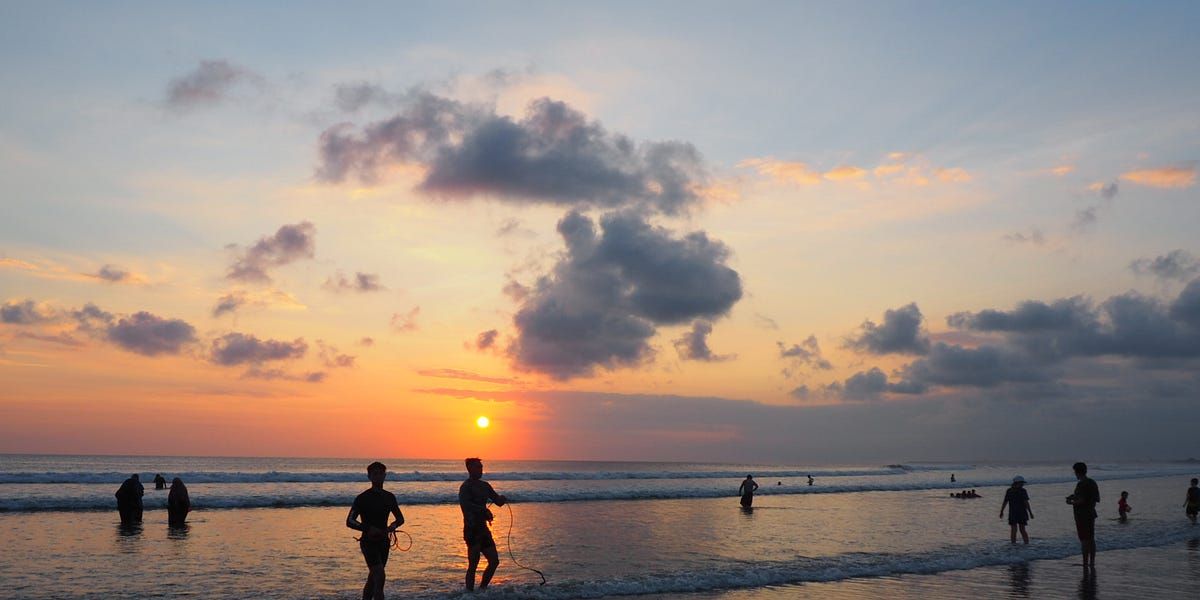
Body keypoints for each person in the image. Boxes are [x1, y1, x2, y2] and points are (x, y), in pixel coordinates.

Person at [346, 462, 405, 600]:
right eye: (375, 474)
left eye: (380, 474)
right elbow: (350, 521)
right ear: (369, 477)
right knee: (380, 575)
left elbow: (400, 519)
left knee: (373, 578)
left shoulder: (390, 497)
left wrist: (393, 526)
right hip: (368, 542)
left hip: (384, 541)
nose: (378, 476)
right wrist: (368, 528)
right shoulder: (362, 498)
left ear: (385, 476)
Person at [460, 457, 507, 592]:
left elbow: (497, 501)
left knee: (494, 561)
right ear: (469, 469)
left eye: (481, 467)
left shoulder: (485, 486)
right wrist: (483, 510)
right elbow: (465, 505)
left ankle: (482, 589)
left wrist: (502, 499)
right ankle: (469, 594)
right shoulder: (465, 487)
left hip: (484, 530)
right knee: (473, 565)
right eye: (478, 467)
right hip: (472, 530)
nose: (481, 469)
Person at [1066, 462, 1100, 568]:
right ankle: (1092, 562)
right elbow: (1095, 499)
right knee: (1091, 538)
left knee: (1084, 540)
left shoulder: (1081, 484)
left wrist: (1070, 502)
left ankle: (1085, 563)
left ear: (1077, 472)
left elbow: (1081, 500)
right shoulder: (1092, 482)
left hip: (1082, 515)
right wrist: (1074, 497)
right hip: (1091, 512)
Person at [999, 475, 1033, 544]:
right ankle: (1026, 544)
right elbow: (1026, 502)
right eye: (1022, 483)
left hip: (1013, 513)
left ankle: (1014, 545)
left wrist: (1002, 511)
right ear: (1018, 483)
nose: (1023, 484)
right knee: (1021, 529)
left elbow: (1005, 502)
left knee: (1014, 530)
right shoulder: (1023, 491)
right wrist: (1030, 513)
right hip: (1021, 513)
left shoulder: (1009, 491)